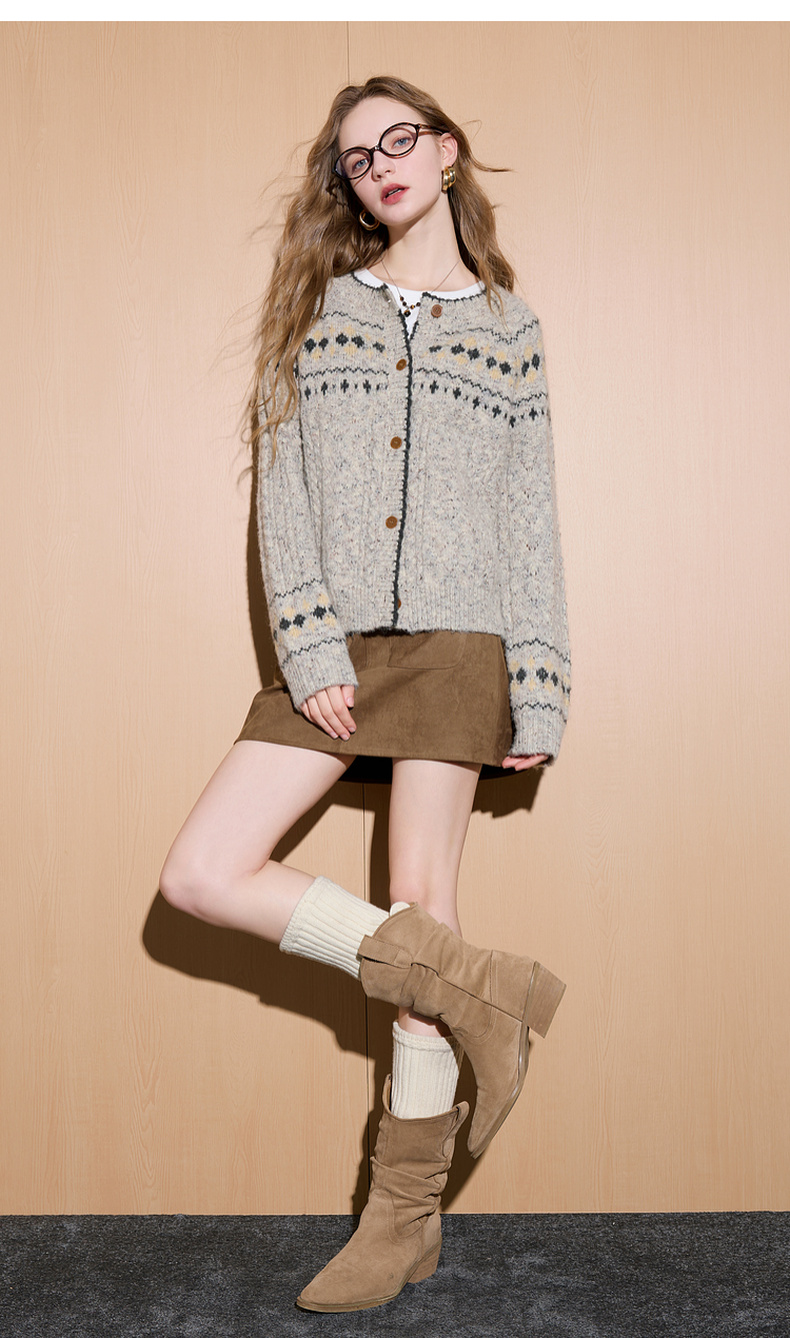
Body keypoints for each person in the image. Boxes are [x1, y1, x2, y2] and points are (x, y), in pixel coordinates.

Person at [159, 74, 571, 1314]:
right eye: (354, 156)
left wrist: (539, 687)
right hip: (336, 644)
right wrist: (309, 645)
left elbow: (529, 518)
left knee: (420, 904)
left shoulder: (510, 328)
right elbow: (279, 494)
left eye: (398, 140)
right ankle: (479, 994)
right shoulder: (320, 309)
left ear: (444, 152)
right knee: (204, 872)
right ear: (344, 183)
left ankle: (401, 1222)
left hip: (462, 640)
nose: (378, 164)